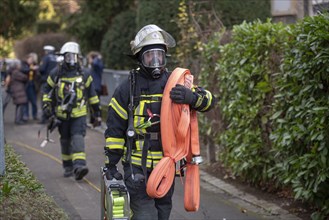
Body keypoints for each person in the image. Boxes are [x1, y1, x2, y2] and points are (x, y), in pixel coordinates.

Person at [103, 24, 216, 220]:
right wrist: (110, 165)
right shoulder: (127, 89)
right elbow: (115, 130)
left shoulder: (175, 82)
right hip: (137, 168)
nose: (155, 61)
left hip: (166, 166)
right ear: (140, 58)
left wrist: (191, 98)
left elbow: (209, 102)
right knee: (145, 215)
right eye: (149, 56)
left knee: (163, 214)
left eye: (159, 56)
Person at [42, 41, 102, 180]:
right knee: (65, 140)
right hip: (61, 114)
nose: (71, 60)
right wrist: (46, 105)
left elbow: (92, 95)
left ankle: (79, 166)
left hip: (79, 114)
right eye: (68, 57)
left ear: (78, 57)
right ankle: (67, 166)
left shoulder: (85, 74)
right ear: (63, 57)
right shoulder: (56, 73)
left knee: (77, 137)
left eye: (73, 57)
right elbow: (46, 89)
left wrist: (96, 113)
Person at [39, 45, 58, 124]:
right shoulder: (56, 58)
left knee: (45, 98)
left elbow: (42, 69)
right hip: (56, 82)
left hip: (46, 81)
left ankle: (44, 118)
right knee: (54, 99)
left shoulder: (46, 58)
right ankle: (53, 116)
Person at [21, 53, 39, 121]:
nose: (31, 60)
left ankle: (35, 115)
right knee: (26, 101)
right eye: (30, 59)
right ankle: (26, 116)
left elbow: (37, 75)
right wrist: (31, 69)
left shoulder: (34, 65)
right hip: (26, 85)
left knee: (34, 101)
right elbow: (23, 70)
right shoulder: (24, 65)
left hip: (32, 85)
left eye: (32, 59)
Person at [87, 51, 104, 124]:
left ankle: (98, 119)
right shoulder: (93, 65)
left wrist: (97, 57)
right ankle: (92, 120)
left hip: (96, 87)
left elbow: (95, 63)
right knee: (91, 105)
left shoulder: (97, 63)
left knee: (97, 104)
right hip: (92, 87)